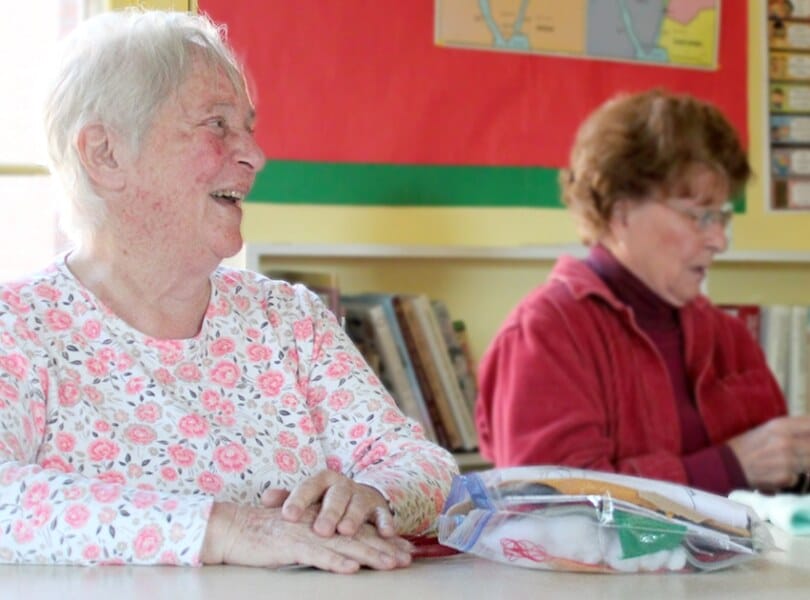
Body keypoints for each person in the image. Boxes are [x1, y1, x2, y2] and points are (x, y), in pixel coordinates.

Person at [0, 9, 457, 571]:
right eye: (217, 125)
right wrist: (225, 529)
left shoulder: (288, 320)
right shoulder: (17, 327)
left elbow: (423, 465)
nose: (255, 155)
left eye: (249, 126)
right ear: (105, 154)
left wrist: (374, 497)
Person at [475, 88, 810, 497]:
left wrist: (795, 467)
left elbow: (779, 490)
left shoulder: (728, 335)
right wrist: (729, 467)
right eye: (699, 216)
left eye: (721, 216)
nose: (719, 240)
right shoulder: (544, 332)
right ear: (620, 213)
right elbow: (549, 506)